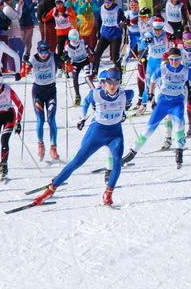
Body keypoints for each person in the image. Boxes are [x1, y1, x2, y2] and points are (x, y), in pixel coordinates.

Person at [31, 69, 135, 207]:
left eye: (116, 82)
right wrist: (82, 117)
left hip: (115, 134)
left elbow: (131, 96)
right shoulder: (95, 95)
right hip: (98, 133)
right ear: (104, 82)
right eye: (109, 82)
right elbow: (86, 102)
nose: (112, 85)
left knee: (117, 161)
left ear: (119, 83)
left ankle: (108, 194)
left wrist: (126, 107)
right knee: (77, 161)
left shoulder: (126, 94)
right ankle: (50, 190)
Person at [122, 48, 191, 168]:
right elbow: (152, 79)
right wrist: (151, 94)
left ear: (181, 59)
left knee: (179, 126)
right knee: (148, 130)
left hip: (177, 103)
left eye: (177, 59)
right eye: (172, 59)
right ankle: (131, 153)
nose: (174, 62)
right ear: (168, 59)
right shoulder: (163, 69)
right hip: (163, 103)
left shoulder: (185, 70)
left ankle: (179, 152)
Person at [26, 39, 63, 161]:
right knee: (40, 120)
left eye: (46, 50)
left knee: (51, 119)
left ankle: (53, 149)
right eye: (42, 51)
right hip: (38, 92)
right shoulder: (33, 59)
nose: (44, 54)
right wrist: (24, 64)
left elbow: (65, 66)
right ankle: (40, 146)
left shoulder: (54, 56)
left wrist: (66, 61)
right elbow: (23, 73)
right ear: (38, 50)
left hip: (51, 91)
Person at [90, 0, 126, 75]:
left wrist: (124, 23)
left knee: (114, 56)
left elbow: (124, 20)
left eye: (109, 2)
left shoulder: (118, 10)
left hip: (115, 35)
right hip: (105, 35)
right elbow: (99, 21)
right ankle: (94, 72)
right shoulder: (101, 9)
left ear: (112, 2)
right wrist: (98, 32)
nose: (107, 4)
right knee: (97, 54)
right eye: (105, 2)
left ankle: (118, 74)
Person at [61, 29, 92, 105]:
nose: (74, 41)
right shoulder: (67, 46)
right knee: (75, 77)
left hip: (84, 61)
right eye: (72, 39)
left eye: (75, 38)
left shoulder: (82, 42)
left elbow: (90, 50)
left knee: (87, 77)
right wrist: (65, 58)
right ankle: (77, 96)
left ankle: (94, 92)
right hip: (75, 63)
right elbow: (63, 57)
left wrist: (92, 54)